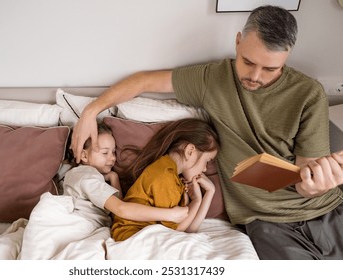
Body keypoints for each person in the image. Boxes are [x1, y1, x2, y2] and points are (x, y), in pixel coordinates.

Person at [71, 5, 343, 259]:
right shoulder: (213, 79)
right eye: (248, 62)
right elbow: (144, 81)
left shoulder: (308, 93)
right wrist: (91, 111)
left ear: (287, 57)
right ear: (238, 42)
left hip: (327, 211)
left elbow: (307, 180)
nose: (256, 76)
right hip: (265, 222)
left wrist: (314, 185)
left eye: (270, 69)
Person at [111, 118, 219, 241]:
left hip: (139, 237)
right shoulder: (165, 177)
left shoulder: (173, 177)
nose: (205, 169)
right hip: (132, 237)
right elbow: (177, 230)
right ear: (190, 151)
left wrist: (208, 193)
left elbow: (190, 230)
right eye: (207, 161)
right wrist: (196, 202)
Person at [63, 121, 189, 224]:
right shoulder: (86, 178)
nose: (112, 158)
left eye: (113, 152)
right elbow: (121, 209)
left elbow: (118, 212)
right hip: (76, 225)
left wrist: (114, 177)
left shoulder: (89, 177)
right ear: (84, 155)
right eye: (105, 152)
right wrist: (171, 215)